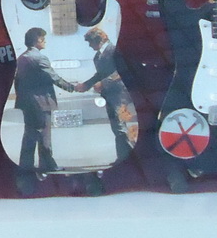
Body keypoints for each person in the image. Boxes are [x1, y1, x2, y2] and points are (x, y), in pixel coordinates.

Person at [14, 27, 74, 175]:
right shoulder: (39, 58)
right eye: (43, 39)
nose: (45, 41)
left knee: (29, 134)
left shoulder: (21, 58)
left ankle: (26, 165)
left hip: (27, 103)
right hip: (41, 102)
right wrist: (71, 87)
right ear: (38, 40)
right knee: (44, 134)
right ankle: (47, 164)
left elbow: (17, 81)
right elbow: (53, 77)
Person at [75, 27, 135, 162]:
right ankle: (123, 157)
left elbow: (122, 71)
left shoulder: (114, 51)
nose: (89, 46)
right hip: (108, 95)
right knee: (117, 127)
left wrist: (103, 83)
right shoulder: (97, 57)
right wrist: (86, 84)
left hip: (120, 94)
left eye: (90, 42)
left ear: (99, 40)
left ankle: (129, 157)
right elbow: (99, 74)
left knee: (122, 125)